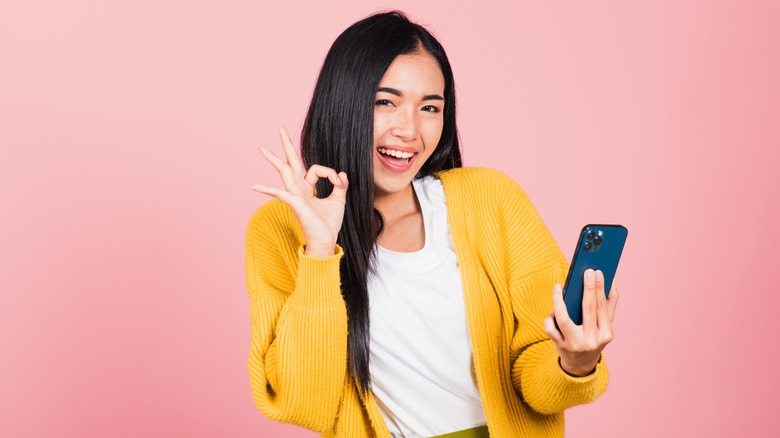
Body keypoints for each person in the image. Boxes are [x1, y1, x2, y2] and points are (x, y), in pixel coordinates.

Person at [245, 10, 618, 438]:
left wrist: (574, 362)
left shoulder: (490, 200)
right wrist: (320, 251)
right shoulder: (281, 227)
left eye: (429, 108)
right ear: (343, 101)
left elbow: (536, 386)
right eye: (385, 101)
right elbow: (304, 403)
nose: (409, 130)